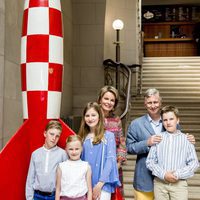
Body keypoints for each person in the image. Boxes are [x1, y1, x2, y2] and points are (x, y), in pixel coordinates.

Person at [126, 88, 195, 200]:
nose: (153, 106)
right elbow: (129, 147)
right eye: (149, 102)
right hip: (144, 178)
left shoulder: (169, 121)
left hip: (169, 179)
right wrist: (146, 143)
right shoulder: (136, 124)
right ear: (145, 103)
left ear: (160, 102)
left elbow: (178, 142)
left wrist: (189, 138)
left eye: (155, 102)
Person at [146, 105, 199, 200]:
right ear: (162, 122)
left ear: (177, 120)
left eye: (171, 119)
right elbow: (150, 161)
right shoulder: (158, 138)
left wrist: (177, 174)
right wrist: (164, 174)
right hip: (160, 184)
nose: (168, 122)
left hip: (179, 184)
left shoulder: (186, 139)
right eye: (165, 120)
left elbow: (194, 163)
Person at [78, 102, 121, 200]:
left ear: (99, 117)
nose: (90, 118)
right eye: (87, 115)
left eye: (93, 115)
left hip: (103, 184)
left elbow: (110, 161)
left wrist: (99, 184)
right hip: (85, 184)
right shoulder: (82, 138)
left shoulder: (108, 136)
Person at [26, 120, 67, 200]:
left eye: (57, 136)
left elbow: (65, 178)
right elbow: (30, 179)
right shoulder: (35, 154)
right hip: (37, 196)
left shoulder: (63, 154)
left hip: (54, 196)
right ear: (45, 133)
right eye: (51, 134)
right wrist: (29, 198)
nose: (54, 138)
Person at [97, 86, 127, 194]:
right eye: (106, 99)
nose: (109, 102)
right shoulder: (92, 117)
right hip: (96, 165)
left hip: (113, 166)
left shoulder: (116, 120)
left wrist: (117, 164)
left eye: (112, 100)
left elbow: (122, 144)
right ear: (100, 99)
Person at [55, 135, 92, 200]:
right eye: (71, 149)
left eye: (77, 149)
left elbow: (89, 190)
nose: (74, 152)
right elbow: (58, 189)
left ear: (81, 149)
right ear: (66, 149)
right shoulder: (61, 166)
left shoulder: (86, 166)